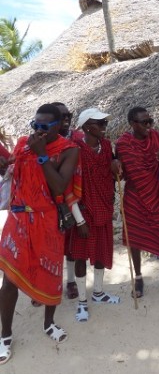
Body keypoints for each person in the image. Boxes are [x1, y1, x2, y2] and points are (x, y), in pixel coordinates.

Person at [0, 104, 80, 365]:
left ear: (58, 126)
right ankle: (5, 336)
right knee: (9, 280)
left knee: (50, 274)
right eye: (35, 125)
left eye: (45, 127)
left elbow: (59, 185)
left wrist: (42, 155)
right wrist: (5, 165)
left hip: (47, 222)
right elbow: (13, 172)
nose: (38, 131)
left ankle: (48, 323)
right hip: (19, 220)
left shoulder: (69, 151)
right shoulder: (24, 142)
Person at [115, 106, 159, 298]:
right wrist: (116, 166)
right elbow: (126, 170)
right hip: (135, 197)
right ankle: (139, 277)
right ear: (133, 124)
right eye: (144, 122)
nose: (149, 126)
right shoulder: (123, 143)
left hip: (157, 195)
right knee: (135, 239)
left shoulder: (156, 137)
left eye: (150, 121)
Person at [69, 108, 121, 322]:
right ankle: (82, 301)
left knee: (101, 252)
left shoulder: (107, 146)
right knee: (81, 256)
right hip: (83, 211)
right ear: (88, 127)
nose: (104, 127)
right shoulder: (75, 150)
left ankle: (98, 292)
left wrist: (116, 167)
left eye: (104, 123)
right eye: (100, 123)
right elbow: (69, 188)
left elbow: (112, 171)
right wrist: (78, 219)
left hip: (104, 208)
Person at [51, 102, 84, 300]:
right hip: (48, 201)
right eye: (61, 116)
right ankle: (44, 285)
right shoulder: (42, 141)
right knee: (47, 246)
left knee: (71, 245)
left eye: (68, 115)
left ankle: (70, 281)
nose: (66, 119)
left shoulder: (77, 139)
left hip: (73, 199)